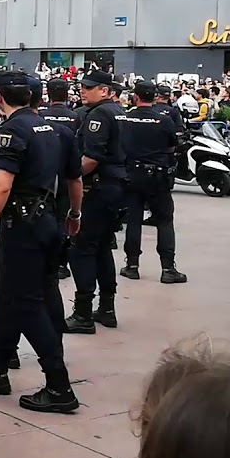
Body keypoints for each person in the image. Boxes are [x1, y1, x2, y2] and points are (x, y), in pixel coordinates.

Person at [0, 72, 81, 413]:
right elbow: (74, 179)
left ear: (0, 97)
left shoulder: (11, 131)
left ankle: (59, 385)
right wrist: (75, 215)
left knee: (24, 301)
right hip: (51, 222)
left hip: (23, 225)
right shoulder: (58, 129)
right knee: (38, 292)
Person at [66, 69, 127, 334]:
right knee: (101, 248)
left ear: (105, 90)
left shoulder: (99, 115)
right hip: (117, 187)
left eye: (88, 87)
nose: (82, 91)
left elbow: (91, 158)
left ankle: (82, 314)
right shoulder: (119, 111)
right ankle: (107, 307)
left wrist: (70, 178)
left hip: (99, 189)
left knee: (82, 249)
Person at [120, 81, 186, 284]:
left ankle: (132, 266)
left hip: (132, 174)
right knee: (164, 220)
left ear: (135, 98)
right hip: (158, 176)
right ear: (155, 97)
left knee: (133, 220)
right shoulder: (164, 120)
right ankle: (168, 268)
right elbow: (172, 146)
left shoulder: (125, 119)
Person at [41, 79, 81, 278]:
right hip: (67, 173)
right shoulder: (75, 117)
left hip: (43, 174)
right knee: (64, 219)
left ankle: (44, 260)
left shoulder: (40, 116)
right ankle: (61, 263)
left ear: (48, 94)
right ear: (67, 95)